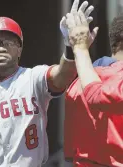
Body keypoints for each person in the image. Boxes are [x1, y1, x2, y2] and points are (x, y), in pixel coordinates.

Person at [0, 0, 97, 167]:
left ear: (19, 50)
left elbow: (63, 75)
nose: (1, 47)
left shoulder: (33, 77)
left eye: (9, 42)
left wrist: (71, 46)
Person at [64, 10, 123, 167]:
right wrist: (80, 48)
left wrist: (79, 48)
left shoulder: (76, 84)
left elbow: (70, 152)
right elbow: (97, 95)